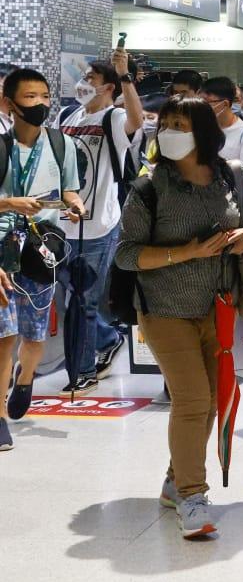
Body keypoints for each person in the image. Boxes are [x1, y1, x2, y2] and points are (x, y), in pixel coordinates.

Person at [113, 96, 243, 539]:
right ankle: (192, 495)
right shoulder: (150, 186)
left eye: (180, 123)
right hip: (165, 309)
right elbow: (126, 254)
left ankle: (174, 480)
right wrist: (185, 252)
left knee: (211, 400)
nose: (169, 131)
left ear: (203, 131)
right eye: (165, 123)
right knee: (192, 400)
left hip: (217, 307)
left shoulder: (233, 175)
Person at [0, 68, 86, 420]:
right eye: (30, 97)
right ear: (9, 103)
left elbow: (69, 188)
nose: (40, 104)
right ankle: (0, 419)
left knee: (34, 337)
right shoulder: (1, 145)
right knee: (5, 335)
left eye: (45, 97)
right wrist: (10, 203)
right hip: (4, 246)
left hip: (42, 245)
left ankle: (26, 377)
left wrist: (75, 204)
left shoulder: (60, 143)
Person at [58, 52, 142, 393]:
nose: (83, 83)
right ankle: (108, 339)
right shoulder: (68, 115)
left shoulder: (115, 116)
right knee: (68, 289)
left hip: (99, 225)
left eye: (91, 78)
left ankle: (83, 371)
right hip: (62, 224)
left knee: (83, 299)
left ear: (108, 87)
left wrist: (125, 77)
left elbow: (136, 121)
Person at [197, 77, 243, 168]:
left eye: (207, 102)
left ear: (225, 104)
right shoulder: (198, 127)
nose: (201, 107)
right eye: (200, 102)